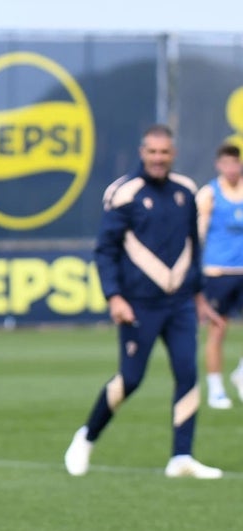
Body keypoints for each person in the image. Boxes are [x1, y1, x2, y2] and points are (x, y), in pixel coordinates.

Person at [65, 125, 224, 479]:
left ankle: (181, 456)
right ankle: (87, 436)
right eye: (152, 152)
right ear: (142, 152)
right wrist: (114, 297)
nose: (158, 158)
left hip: (180, 303)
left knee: (187, 373)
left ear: (173, 154)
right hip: (139, 304)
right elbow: (105, 250)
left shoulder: (186, 191)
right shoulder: (124, 194)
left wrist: (198, 297)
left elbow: (191, 247)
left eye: (164, 152)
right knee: (132, 379)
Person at [196, 142, 243, 409]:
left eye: (235, 163)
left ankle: (241, 374)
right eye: (226, 164)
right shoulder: (210, 194)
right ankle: (216, 388)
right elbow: (199, 232)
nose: (232, 169)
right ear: (219, 165)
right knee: (218, 329)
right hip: (218, 270)